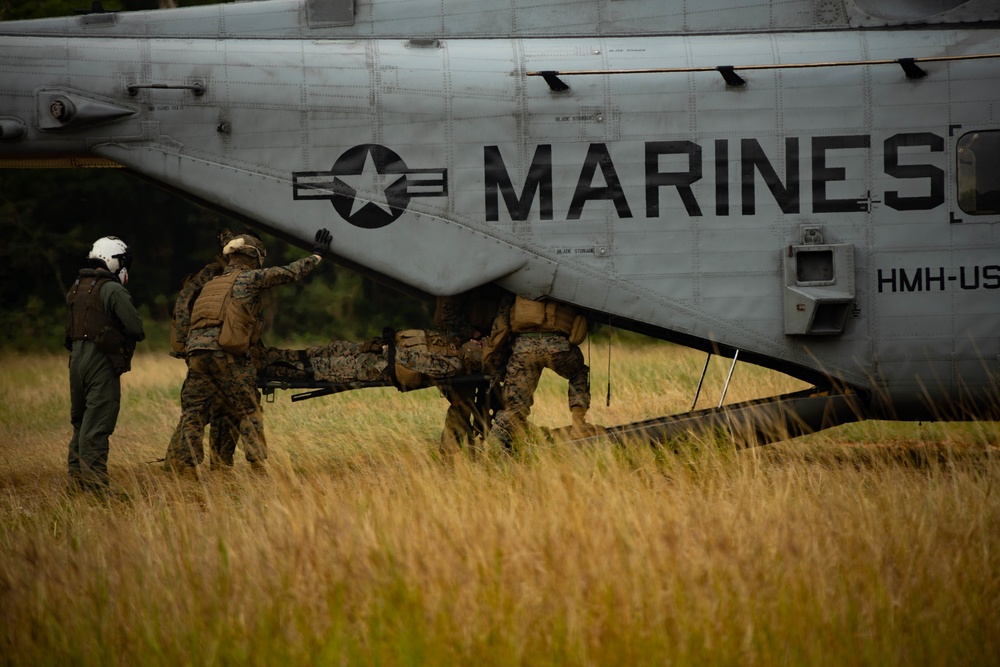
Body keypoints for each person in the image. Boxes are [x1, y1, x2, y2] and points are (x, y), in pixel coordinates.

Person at [163, 228, 332, 474]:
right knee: (248, 408)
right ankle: (258, 468)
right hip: (226, 356)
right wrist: (317, 256)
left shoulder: (210, 284)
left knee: (194, 413)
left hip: (197, 356)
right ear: (253, 257)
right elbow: (289, 273)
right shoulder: (248, 279)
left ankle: (186, 471)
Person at [64, 236, 146, 494]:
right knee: (97, 425)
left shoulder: (77, 286)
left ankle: (76, 485)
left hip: (76, 360)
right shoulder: (112, 289)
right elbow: (136, 328)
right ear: (114, 261)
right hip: (100, 361)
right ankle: (98, 491)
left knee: (81, 424)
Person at [166, 229, 242, 472]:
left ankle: (216, 465)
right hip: (208, 351)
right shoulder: (212, 275)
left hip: (209, 350)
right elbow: (185, 305)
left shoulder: (223, 274)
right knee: (199, 409)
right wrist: (188, 346)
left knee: (216, 407)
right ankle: (182, 465)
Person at [485, 294, 596, 449]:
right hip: (558, 346)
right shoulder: (563, 284)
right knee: (578, 372)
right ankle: (579, 425)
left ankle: (492, 448)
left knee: (514, 407)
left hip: (524, 348)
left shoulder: (518, 285)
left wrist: (494, 353)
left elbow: (501, 321)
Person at [433, 286, 507, 453]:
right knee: (462, 403)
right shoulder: (465, 281)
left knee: (490, 400)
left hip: (488, 351)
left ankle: (481, 450)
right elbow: (448, 315)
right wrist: (472, 334)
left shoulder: (497, 282)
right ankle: (450, 455)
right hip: (463, 350)